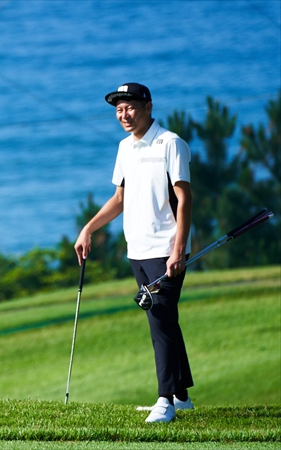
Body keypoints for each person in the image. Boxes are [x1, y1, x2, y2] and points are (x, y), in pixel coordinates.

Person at [74, 83, 194, 423]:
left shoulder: (170, 144)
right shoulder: (125, 148)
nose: (124, 115)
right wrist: (88, 228)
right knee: (163, 319)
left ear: (148, 106)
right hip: (137, 250)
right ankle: (181, 395)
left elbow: (184, 199)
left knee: (159, 321)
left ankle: (165, 400)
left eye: (130, 107)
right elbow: (119, 200)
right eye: (118, 110)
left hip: (165, 250)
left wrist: (179, 248)